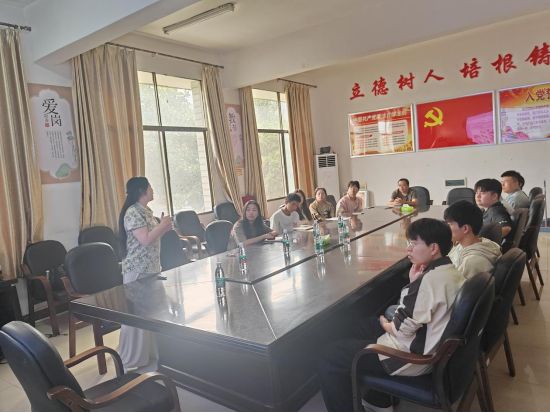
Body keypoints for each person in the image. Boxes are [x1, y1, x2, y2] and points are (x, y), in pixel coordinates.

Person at [318, 218, 464, 411]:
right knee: (360, 326)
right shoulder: (450, 271)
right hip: (427, 344)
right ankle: (375, 396)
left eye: (414, 244)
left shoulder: (428, 282)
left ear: (434, 248)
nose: (408, 249)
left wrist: (386, 324)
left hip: (408, 358)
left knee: (329, 356)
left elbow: (401, 331)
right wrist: (413, 282)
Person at [118, 177, 173, 371]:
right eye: (150, 186)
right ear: (142, 190)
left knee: (152, 313)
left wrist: (164, 228)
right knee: (137, 316)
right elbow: (145, 240)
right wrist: (162, 225)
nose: (152, 189)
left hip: (151, 268)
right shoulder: (133, 212)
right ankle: (133, 358)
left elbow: (153, 237)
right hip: (138, 270)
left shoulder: (146, 211)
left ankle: (150, 354)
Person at [444, 200, 501, 279]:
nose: (446, 228)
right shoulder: (462, 245)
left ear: (465, 229)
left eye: (450, 224)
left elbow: (455, 285)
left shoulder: (472, 262)